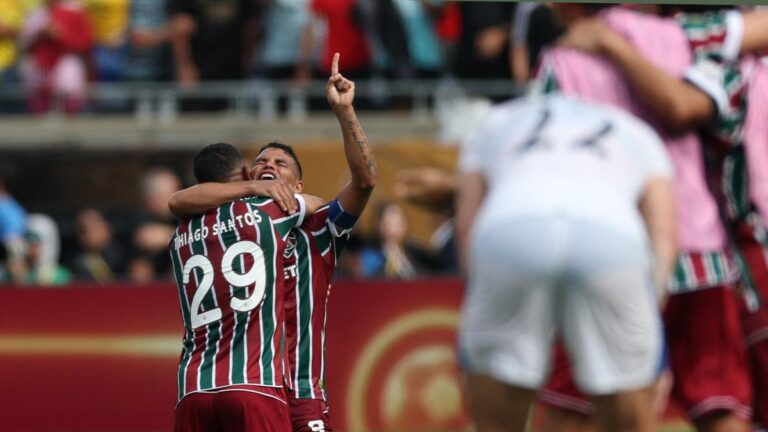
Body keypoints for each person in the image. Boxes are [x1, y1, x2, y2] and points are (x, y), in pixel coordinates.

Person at [530, 5, 768, 432]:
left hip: (606, 255)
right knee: (721, 409)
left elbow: (539, 160)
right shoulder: (691, 42)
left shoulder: (562, 59)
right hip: (701, 254)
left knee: (573, 409)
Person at [169, 52, 377, 432]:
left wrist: (345, 111)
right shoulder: (242, 222)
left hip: (299, 392)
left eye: (281, 164)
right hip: (256, 384)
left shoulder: (318, 228)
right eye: (261, 162)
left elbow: (364, 182)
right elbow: (180, 201)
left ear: (298, 185)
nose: (268, 166)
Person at [456, 93, 677, 432]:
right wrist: (647, 332)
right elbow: (663, 236)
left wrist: (485, 305)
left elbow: (468, 227)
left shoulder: (496, 121)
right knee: (632, 420)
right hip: (610, 233)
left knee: (496, 423)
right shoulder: (636, 129)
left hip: (512, 226)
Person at [169, 142, 312, 432]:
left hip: (192, 388)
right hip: (254, 381)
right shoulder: (269, 212)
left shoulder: (179, 234)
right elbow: (321, 203)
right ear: (247, 173)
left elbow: (176, 201)